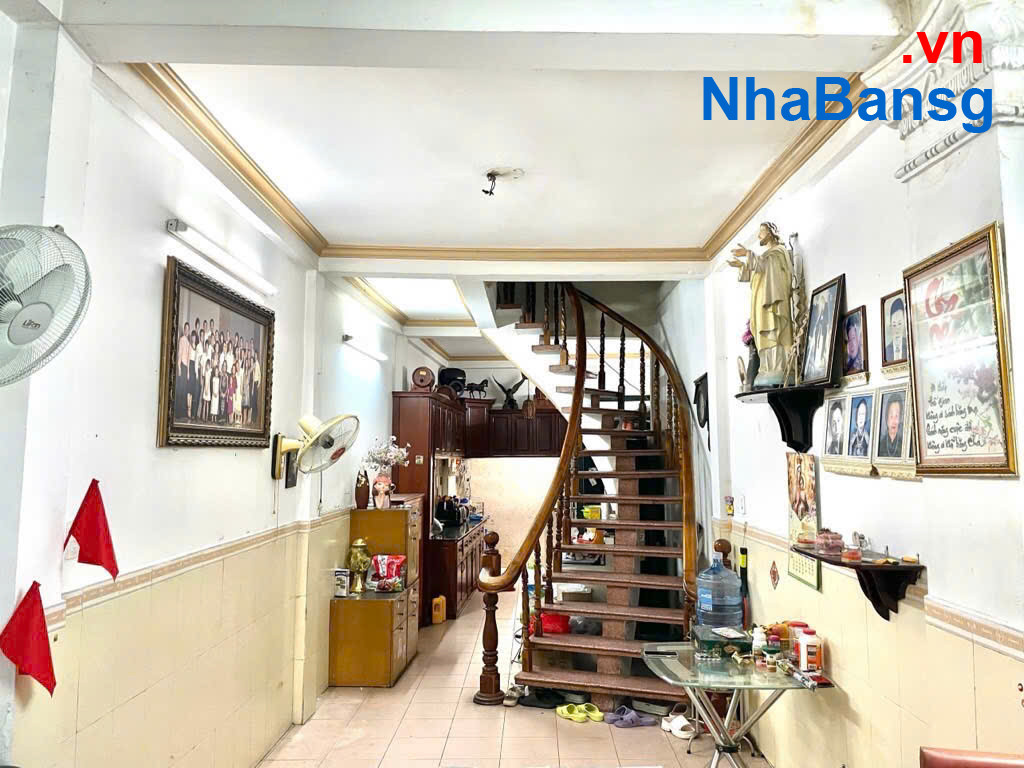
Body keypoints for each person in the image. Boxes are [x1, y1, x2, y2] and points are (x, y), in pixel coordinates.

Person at [728, 221, 795, 387]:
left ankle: (778, 366)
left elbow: (767, 266)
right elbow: (757, 272)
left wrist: (748, 254)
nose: (759, 236)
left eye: (762, 232)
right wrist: (742, 265)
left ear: (771, 233)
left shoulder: (778, 252)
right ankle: (766, 367)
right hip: (761, 300)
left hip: (773, 300)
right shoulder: (766, 255)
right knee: (762, 332)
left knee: (774, 329)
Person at [885, 297, 907, 362]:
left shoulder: (909, 346)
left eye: (899, 324)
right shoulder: (887, 350)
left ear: (904, 324)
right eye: (894, 325)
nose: (897, 330)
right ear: (890, 326)